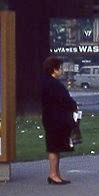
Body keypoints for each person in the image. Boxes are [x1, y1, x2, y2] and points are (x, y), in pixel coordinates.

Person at [40, 56, 78, 185]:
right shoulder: (54, 84)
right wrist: (73, 105)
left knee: (55, 147)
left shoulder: (44, 82)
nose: (61, 70)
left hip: (50, 118)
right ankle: (53, 174)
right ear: (54, 69)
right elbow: (64, 100)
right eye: (59, 68)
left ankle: (56, 174)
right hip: (56, 119)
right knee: (54, 147)